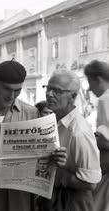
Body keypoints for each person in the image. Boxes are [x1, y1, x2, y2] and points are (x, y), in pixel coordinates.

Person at [0, 60, 66, 211]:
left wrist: (54, 157)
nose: (12, 96)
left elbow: (40, 156)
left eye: (18, 90)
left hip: (16, 197)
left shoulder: (32, 114)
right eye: (7, 89)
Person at [39, 69, 101, 211]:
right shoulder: (54, 120)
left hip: (71, 202)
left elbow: (91, 183)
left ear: (72, 97)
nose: (49, 94)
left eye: (57, 91)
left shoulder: (78, 132)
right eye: (48, 88)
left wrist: (59, 176)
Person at [84, 60, 109, 211]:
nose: (90, 88)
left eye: (90, 82)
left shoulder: (105, 99)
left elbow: (106, 139)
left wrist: (94, 139)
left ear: (98, 79)